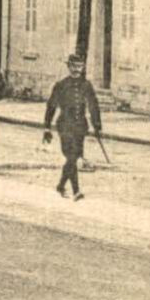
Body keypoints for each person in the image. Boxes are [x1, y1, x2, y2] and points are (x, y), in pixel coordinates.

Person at [43, 52, 102, 200]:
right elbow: (51, 106)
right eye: (74, 66)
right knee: (71, 157)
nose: (77, 69)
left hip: (80, 127)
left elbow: (93, 105)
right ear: (68, 67)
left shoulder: (86, 86)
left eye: (80, 66)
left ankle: (61, 185)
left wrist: (97, 125)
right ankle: (76, 191)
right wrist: (47, 128)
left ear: (83, 67)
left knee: (73, 158)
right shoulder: (61, 85)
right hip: (65, 126)